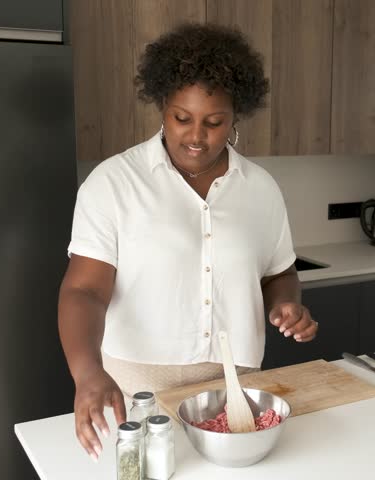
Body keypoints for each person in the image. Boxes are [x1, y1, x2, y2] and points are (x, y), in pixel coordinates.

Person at [58, 23, 318, 462]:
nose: (196, 136)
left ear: (236, 117)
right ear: (162, 106)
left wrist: (285, 304)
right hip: (136, 389)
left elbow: (280, 272)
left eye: (214, 122)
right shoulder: (113, 184)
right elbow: (84, 290)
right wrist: (86, 373)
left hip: (237, 386)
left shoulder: (261, 189)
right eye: (182, 118)